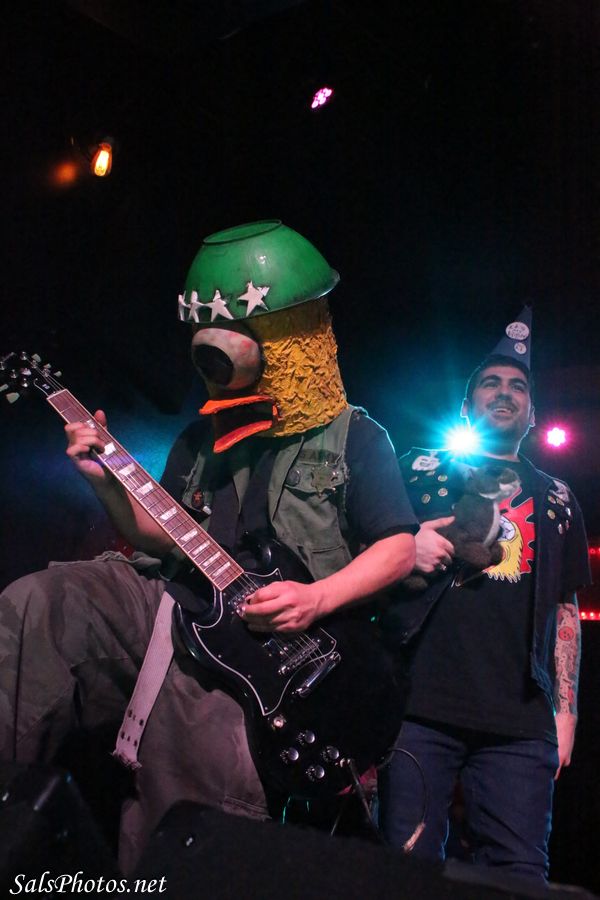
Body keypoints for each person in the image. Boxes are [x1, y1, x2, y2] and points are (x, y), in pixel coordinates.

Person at [0, 220, 417, 872]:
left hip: (280, 648)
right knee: (39, 603)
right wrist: (104, 481)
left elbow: (399, 549)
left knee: (201, 780)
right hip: (182, 602)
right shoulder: (201, 438)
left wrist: (315, 599)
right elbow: (157, 534)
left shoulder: (356, 437)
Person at [378, 306, 590, 884]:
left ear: (533, 414)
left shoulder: (558, 498)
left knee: (520, 877)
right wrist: (407, 544)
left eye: (518, 386)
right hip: (418, 705)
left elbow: (565, 609)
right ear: (467, 406)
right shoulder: (419, 469)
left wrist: (566, 711)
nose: (504, 392)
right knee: (404, 872)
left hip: (520, 720)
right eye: (491, 383)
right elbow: (364, 554)